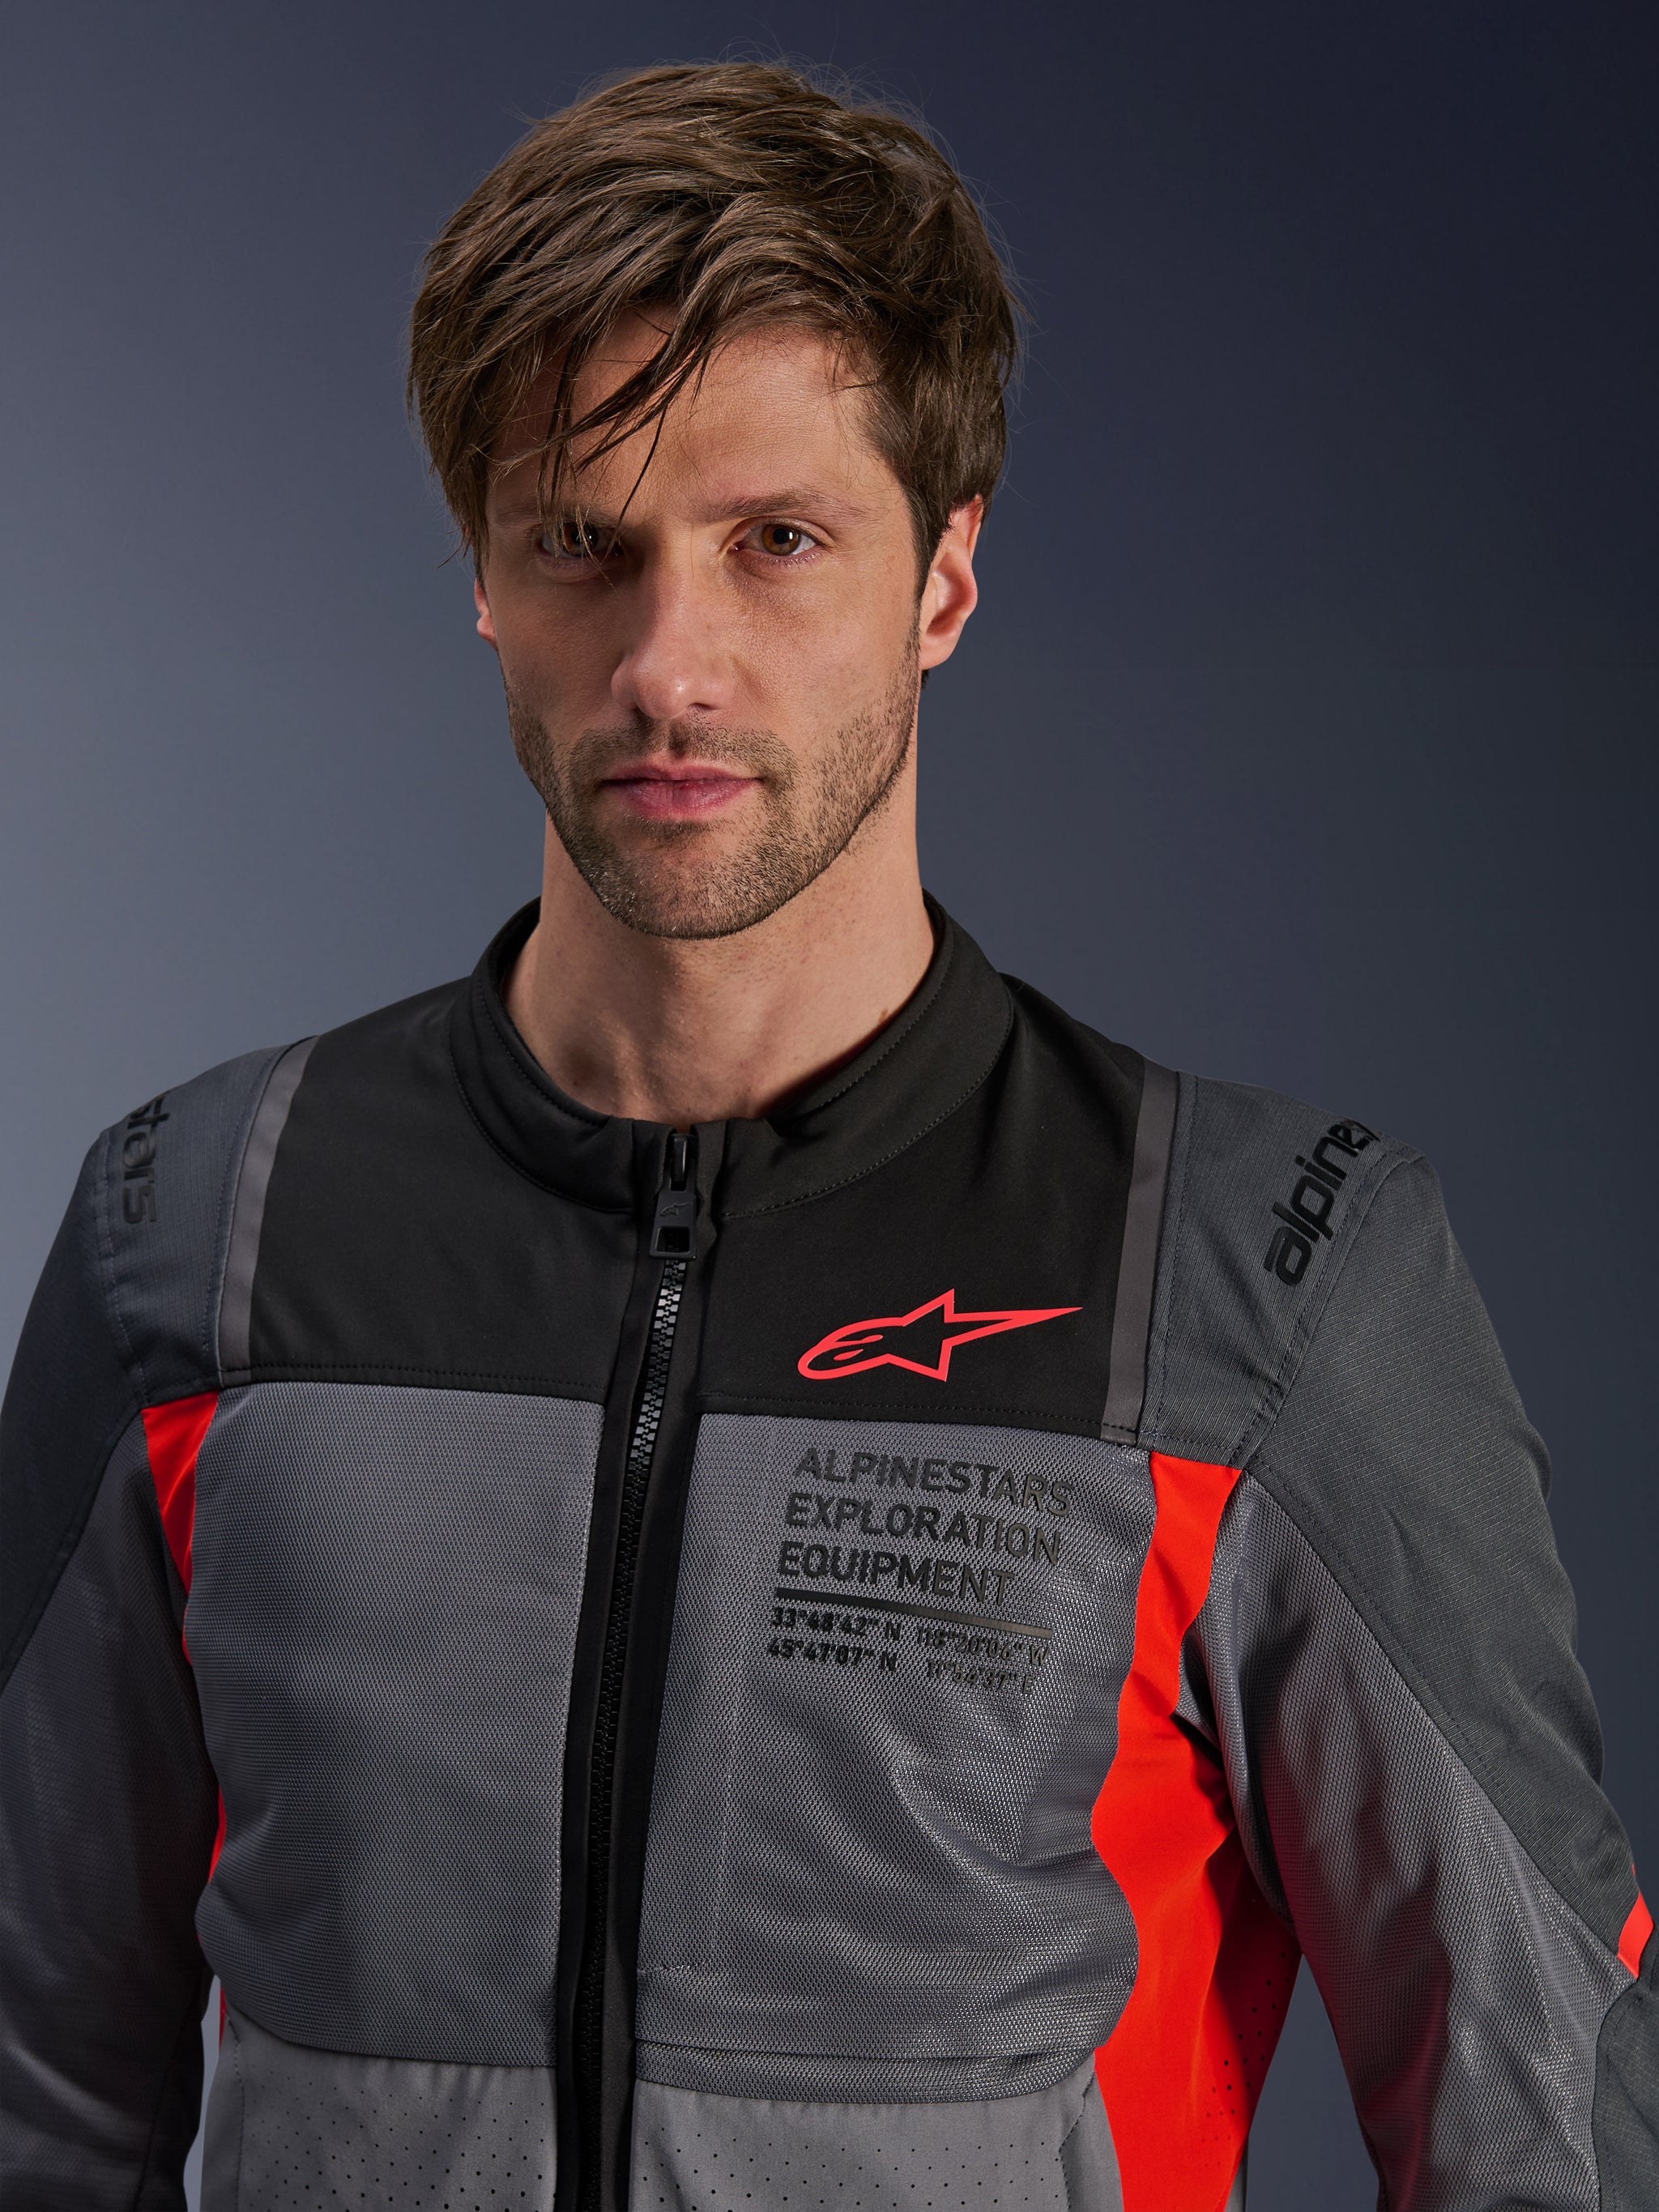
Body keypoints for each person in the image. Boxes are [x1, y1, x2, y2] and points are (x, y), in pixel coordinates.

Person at [0, 58, 1652, 2212]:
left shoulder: (1252, 1283)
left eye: (775, 542)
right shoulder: (196, 1237)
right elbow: (30, 2094)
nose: (670, 664)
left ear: (942, 580)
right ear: (483, 573)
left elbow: (1550, 2131)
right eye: (580, 544)